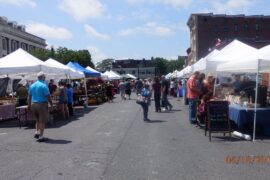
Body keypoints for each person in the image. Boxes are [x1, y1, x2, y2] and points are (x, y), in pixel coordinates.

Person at [28, 72, 53, 142]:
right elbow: (48, 96)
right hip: (41, 104)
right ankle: (41, 137)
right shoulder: (44, 85)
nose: (45, 78)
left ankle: (37, 132)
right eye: (44, 77)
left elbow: (29, 96)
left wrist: (29, 105)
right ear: (43, 77)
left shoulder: (32, 85)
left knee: (37, 120)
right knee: (42, 121)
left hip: (33, 104)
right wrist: (51, 104)